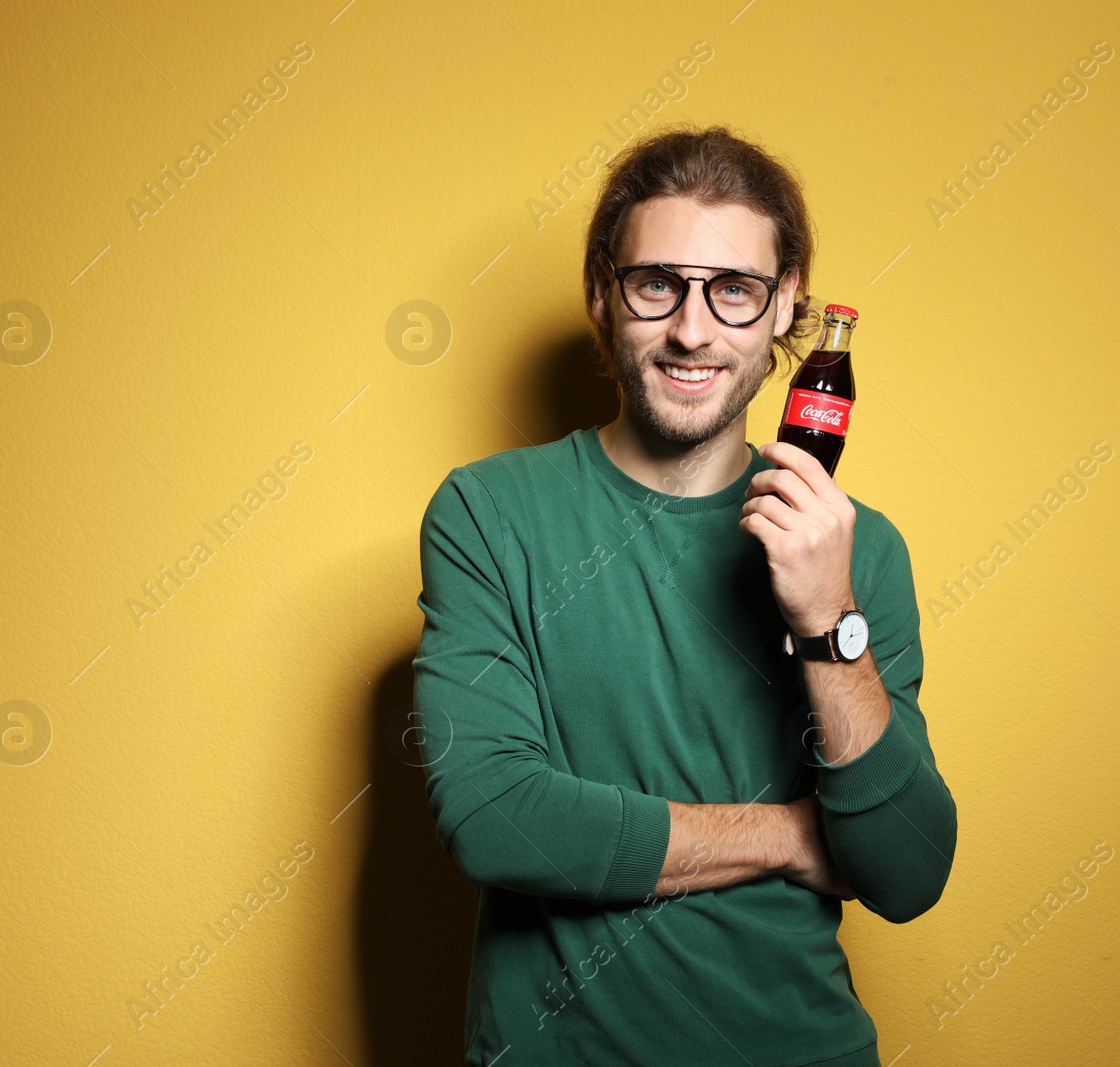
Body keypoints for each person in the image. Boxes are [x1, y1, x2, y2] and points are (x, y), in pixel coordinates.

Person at [412, 123, 957, 1067]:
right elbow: (496, 815)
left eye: (734, 290)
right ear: (601, 291)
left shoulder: (856, 550)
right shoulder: (488, 512)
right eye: (656, 282)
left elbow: (906, 871)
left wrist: (828, 619)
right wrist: (793, 834)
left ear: (785, 306)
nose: (692, 330)